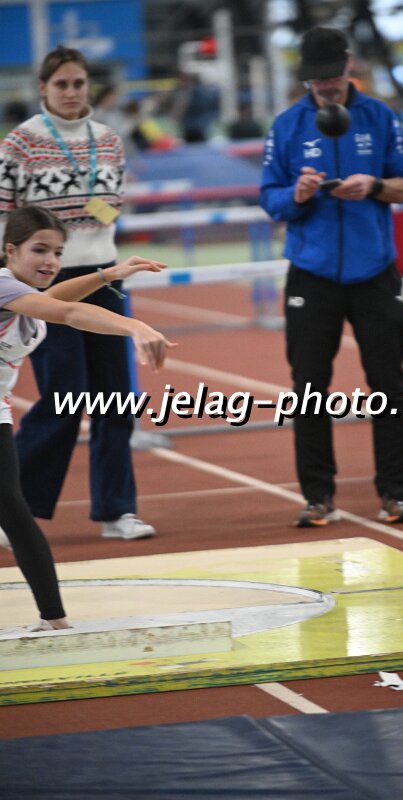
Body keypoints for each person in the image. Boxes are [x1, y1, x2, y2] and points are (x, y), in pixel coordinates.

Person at [260, 27, 403, 527]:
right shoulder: (286, 125)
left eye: (331, 75)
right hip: (312, 272)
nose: (325, 86)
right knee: (308, 386)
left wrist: (374, 185)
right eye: (316, 79)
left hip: (374, 271)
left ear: (349, 65)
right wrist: (298, 195)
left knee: (388, 382)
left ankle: (396, 494)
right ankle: (317, 496)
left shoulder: (379, 116)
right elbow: (269, 198)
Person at [0, 45, 158, 540]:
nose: (71, 92)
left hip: (105, 274)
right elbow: (4, 215)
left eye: (78, 83)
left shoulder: (108, 140)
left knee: (117, 399)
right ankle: (12, 509)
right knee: (64, 399)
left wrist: (96, 220)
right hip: (46, 279)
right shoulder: (20, 144)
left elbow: (113, 204)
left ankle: (116, 510)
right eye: (61, 84)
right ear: (43, 88)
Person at [0, 205, 174, 629]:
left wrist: (107, 275)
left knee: (12, 507)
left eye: (58, 253)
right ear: (10, 251)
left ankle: (53, 619)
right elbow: (69, 313)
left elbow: (55, 299)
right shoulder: (3, 285)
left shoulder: (22, 294)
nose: (51, 261)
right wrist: (135, 327)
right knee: (12, 508)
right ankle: (54, 619)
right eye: (40, 250)